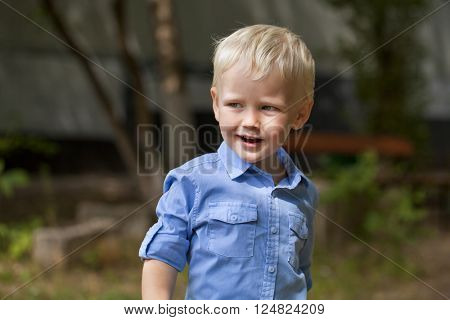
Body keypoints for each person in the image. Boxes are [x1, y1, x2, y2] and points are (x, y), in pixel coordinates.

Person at [139, 24, 318, 300]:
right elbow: (162, 253)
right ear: (216, 103)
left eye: (267, 107)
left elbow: (300, 275)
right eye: (235, 104)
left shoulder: (303, 193)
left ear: (300, 114)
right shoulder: (193, 182)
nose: (250, 122)